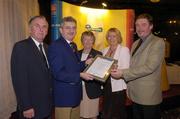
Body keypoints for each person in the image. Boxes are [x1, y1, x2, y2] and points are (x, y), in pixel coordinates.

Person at [111, 13, 165, 119]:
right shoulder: (136, 43)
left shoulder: (157, 42)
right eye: (137, 25)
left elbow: (150, 67)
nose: (140, 28)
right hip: (135, 94)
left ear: (151, 26)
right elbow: (133, 65)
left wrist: (122, 73)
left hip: (148, 97)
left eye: (143, 25)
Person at [48, 16, 93, 119]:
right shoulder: (56, 46)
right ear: (61, 30)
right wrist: (80, 75)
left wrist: (85, 63)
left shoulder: (73, 45)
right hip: (64, 97)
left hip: (75, 96)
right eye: (68, 28)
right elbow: (58, 73)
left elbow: (74, 66)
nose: (71, 30)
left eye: (74, 28)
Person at [11, 15, 52, 119]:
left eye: (44, 27)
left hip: (46, 105)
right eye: (37, 26)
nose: (41, 29)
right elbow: (19, 80)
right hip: (31, 107)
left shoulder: (48, 48)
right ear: (30, 29)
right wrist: (26, 106)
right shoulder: (21, 47)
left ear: (47, 30)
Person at [101, 28, 130, 119]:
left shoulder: (124, 50)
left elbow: (126, 69)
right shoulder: (104, 50)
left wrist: (116, 69)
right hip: (106, 85)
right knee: (106, 110)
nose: (111, 38)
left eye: (114, 36)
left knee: (117, 112)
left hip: (118, 86)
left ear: (118, 37)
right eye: (109, 36)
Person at [78, 31, 103, 119]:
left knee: (92, 115)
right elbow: (73, 69)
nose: (88, 42)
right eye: (85, 39)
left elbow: (100, 74)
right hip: (78, 90)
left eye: (90, 39)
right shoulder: (76, 54)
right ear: (82, 41)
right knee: (80, 115)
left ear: (93, 41)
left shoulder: (98, 55)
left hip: (92, 90)